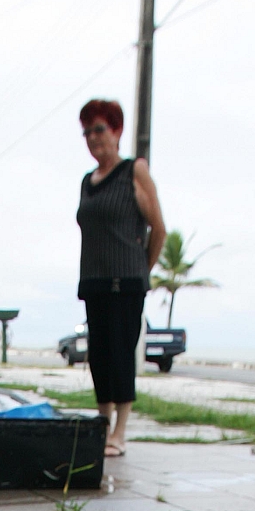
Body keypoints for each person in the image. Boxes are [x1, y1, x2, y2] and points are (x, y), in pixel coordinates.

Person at [76, 98, 166, 457]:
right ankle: (102, 422)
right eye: (86, 132)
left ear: (116, 131)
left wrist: (142, 270)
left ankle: (120, 431)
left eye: (99, 129)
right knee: (98, 355)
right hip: (94, 281)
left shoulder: (134, 171)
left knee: (120, 354)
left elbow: (157, 227)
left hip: (125, 281)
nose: (93, 138)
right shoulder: (87, 181)